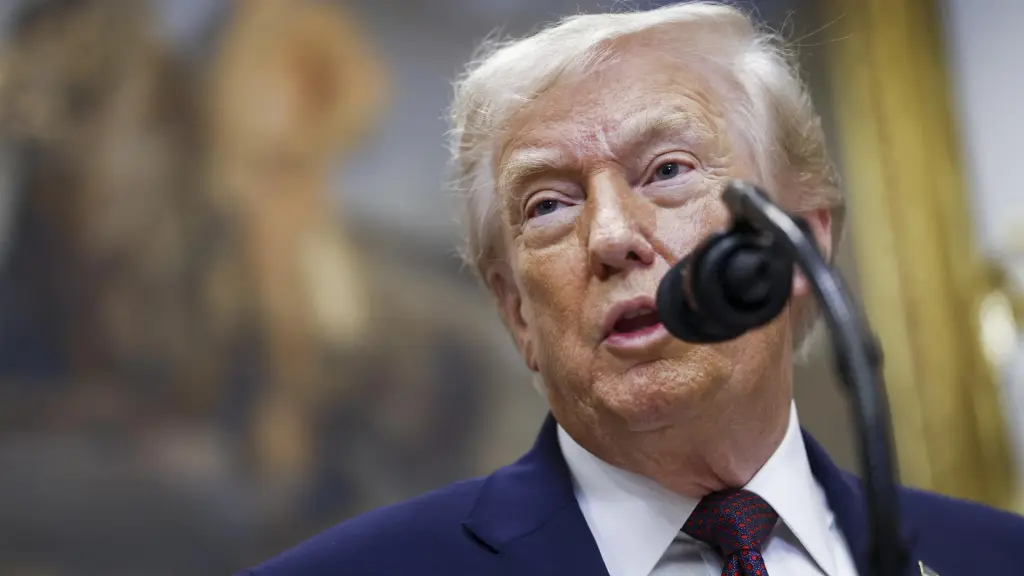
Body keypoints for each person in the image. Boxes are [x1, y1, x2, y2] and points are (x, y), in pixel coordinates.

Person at [240, 3, 1024, 575]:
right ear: (516, 312)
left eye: (669, 171)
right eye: (549, 204)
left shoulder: (995, 558)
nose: (612, 236)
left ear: (798, 246)